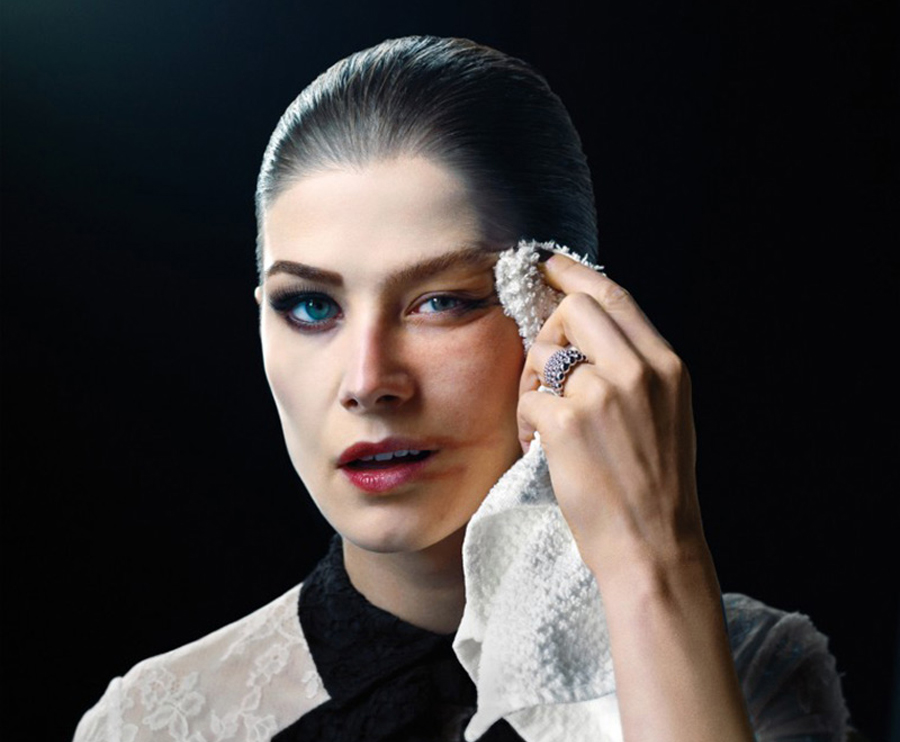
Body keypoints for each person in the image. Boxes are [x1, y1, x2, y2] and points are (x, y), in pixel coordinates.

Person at [74, 35, 850, 742]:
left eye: (440, 301)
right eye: (310, 306)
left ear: (558, 311)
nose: (368, 383)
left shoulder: (753, 672)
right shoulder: (152, 722)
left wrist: (656, 564)